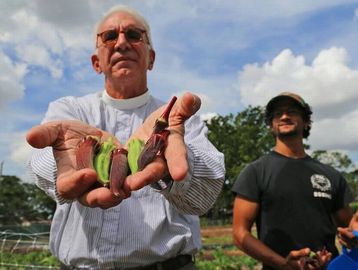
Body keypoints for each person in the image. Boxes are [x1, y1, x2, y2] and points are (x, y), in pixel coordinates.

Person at [26, 5, 225, 270]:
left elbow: (204, 193)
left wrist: (169, 166)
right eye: (109, 37)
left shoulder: (177, 118)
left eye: (133, 34)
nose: (121, 43)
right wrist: (74, 161)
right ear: (96, 62)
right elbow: (41, 163)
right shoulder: (69, 111)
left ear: (151, 58)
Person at [231, 92, 358, 270]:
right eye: (277, 113)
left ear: (306, 121)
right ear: (270, 125)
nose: (284, 116)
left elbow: (349, 226)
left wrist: (351, 236)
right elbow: (239, 234)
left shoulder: (331, 175)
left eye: (291, 111)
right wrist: (283, 264)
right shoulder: (255, 172)